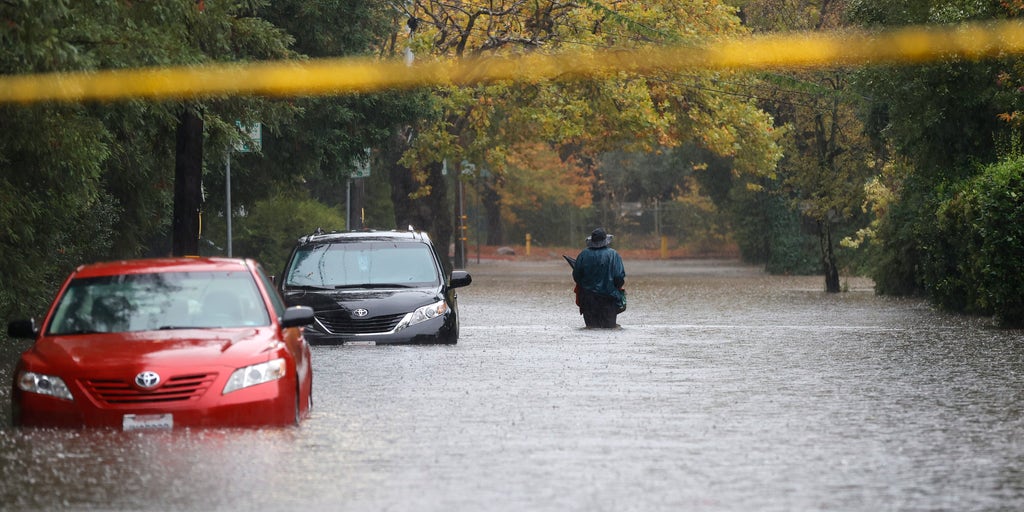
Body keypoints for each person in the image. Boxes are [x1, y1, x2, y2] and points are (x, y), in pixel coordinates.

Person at [572, 227, 626, 328]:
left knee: (591, 329)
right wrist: (614, 288)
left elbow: (577, 277)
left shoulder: (583, 254)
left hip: (588, 300)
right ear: (605, 241)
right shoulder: (614, 255)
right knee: (609, 329)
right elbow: (619, 277)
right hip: (609, 300)